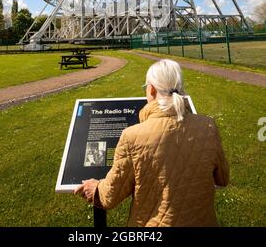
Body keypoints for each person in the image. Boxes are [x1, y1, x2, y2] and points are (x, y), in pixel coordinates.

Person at [75, 58, 229, 227]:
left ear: (152, 89)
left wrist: (95, 188)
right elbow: (222, 178)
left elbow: (109, 197)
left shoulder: (132, 137)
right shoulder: (208, 126)